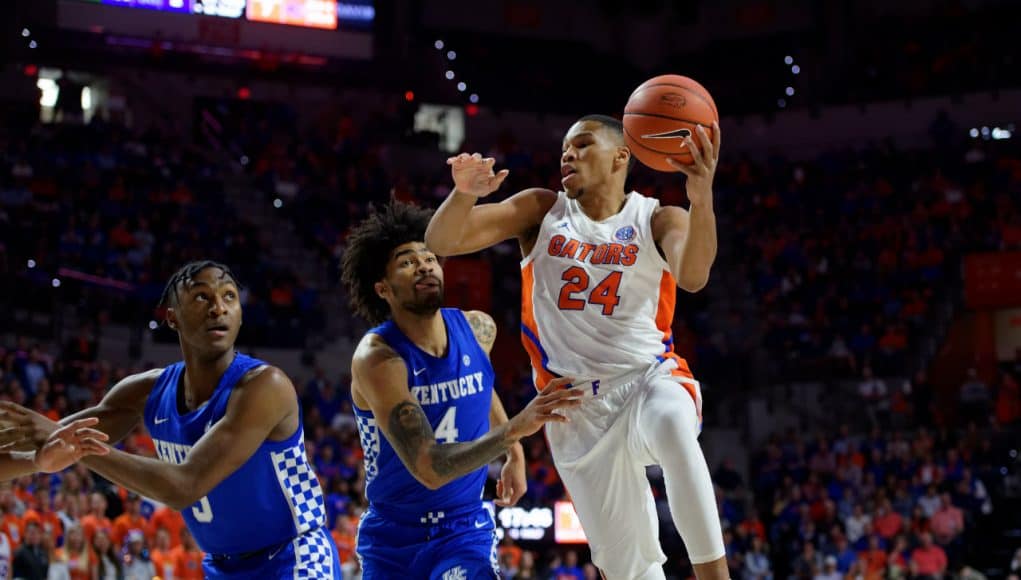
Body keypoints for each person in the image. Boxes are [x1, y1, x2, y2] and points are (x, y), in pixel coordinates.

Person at [426, 115, 727, 578]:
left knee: (671, 425)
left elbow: (693, 276)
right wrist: (464, 193)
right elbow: (441, 240)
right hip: (573, 406)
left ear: (621, 157)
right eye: (564, 148)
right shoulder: (541, 210)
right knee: (628, 568)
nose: (568, 154)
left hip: (649, 379)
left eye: (583, 145)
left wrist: (701, 197)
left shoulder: (658, 217)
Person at [11, 260, 341, 578]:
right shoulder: (147, 391)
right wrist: (39, 453)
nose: (218, 308)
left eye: (229, 296)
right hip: (221, 566)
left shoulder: (265, 386)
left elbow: (184, 486)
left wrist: (74, 443)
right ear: (172, 317)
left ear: (240, 316)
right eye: (202, 296)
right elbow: (49, 443)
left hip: (294, 554)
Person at [340, 200, 582, 579]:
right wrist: (515, 429)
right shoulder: (378, 359)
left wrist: (514, 451)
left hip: (462, 529)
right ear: (383, 289)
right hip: (393, 538)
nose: (423, 265)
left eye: (429, 258)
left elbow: (480, 388)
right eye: (406, 261)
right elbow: (431, 468)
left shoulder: (477, 329)